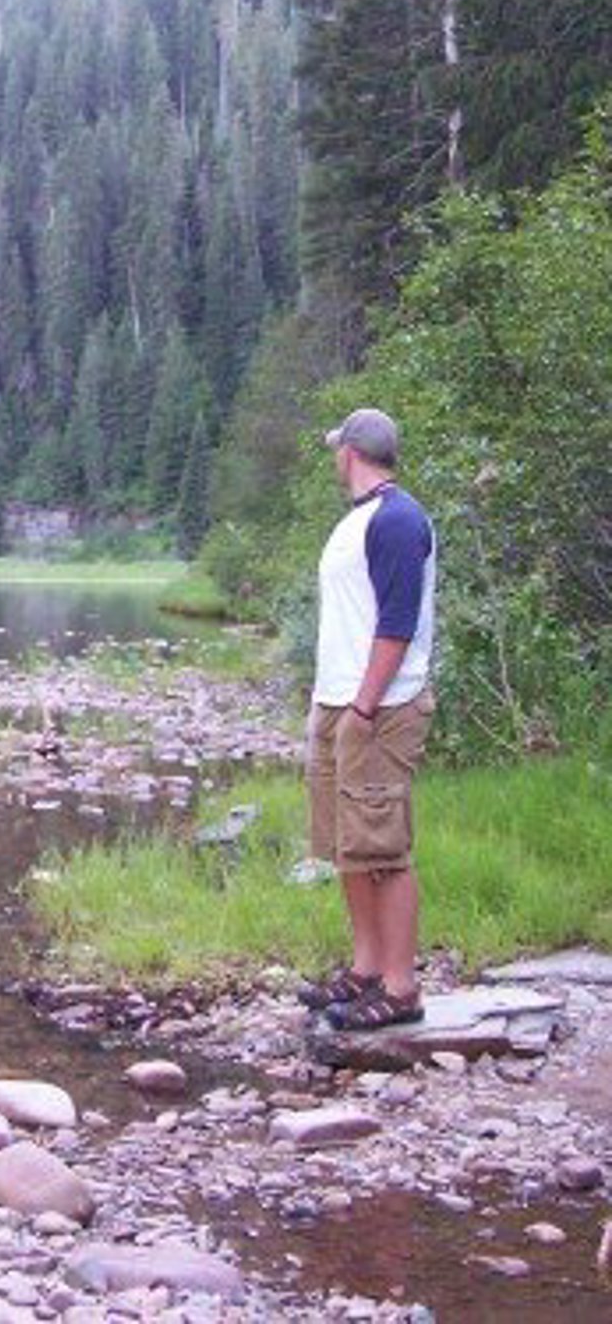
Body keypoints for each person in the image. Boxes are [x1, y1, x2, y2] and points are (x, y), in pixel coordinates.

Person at [299, 407, 437, 1031]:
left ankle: (400, 987)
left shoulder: (398, 519)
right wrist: (331, 706)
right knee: (350, 846)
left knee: (383, 847)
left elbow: (397, 624)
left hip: (378, 709)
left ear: (350, 452)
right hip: (341, 704)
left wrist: (361, 706)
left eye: (337, 450)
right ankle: (365, 970)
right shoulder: (359, 520)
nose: (334, 459)